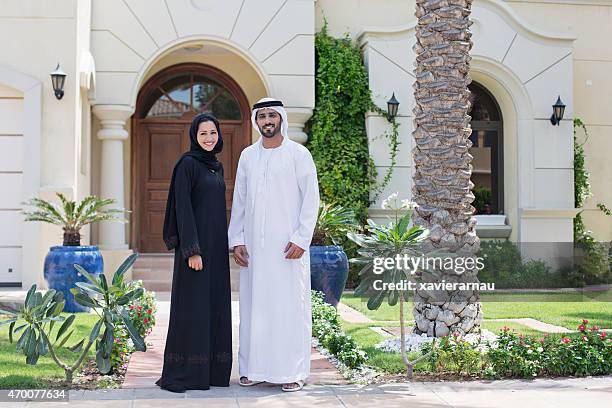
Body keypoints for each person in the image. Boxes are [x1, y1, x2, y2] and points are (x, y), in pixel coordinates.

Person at [228, 97, 320, 392]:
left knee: (288, 308)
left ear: (281, 118)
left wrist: (301, 238)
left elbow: (311, 199)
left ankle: (291, 371)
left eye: (272, 115)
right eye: (262, 116)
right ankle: (253, 368)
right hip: (254, 249)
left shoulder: (298, 154)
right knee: (255, 308)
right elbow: (239, 201)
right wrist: (237, 239)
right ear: (256, 121)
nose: (267, 121)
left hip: (288, 248)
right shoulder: (247, 156)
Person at [156, 113, 232, 393]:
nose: (209, 138)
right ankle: (187, 372)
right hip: (197, 251)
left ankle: (212, 371)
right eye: (203, 134)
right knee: (193, 310)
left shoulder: (217, 167)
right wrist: (191, 250)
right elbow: (183, 209)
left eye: (213, 133)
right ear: (194, 137)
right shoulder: (187, 164)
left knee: (214, 307)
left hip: (216, 251)